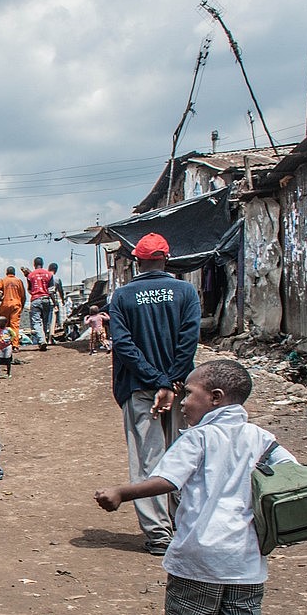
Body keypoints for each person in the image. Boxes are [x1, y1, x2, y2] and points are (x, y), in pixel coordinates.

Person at [94, 360, 292, 615]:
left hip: (200, 549)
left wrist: (122, 492)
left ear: (215, 398)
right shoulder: (261, 438)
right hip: (246, 551)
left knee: (185, 610)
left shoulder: (198, 437)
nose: (182, 401)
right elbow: (291, 473)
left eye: (188, 393)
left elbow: (168, 480)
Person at [109, 232, 201, 555]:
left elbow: (123, 346)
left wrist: (155, 380)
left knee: (148, 461)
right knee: (182, 456)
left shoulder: (122, 297)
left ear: (137, 261)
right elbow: (189, 341)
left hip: (139, 389)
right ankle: (184, 524)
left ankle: (158, 534)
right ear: (166, 258)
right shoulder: (186, 291)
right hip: (182, 390)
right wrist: (172, 381)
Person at [22, 257, 55, 350]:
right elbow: (51, 290)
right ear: (43, 264)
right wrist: (54, 302)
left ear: (34, 264)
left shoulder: (30, 275)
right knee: (45, 321)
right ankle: (43, 340)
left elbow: (29, 289)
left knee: (36, 322)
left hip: (35, 300)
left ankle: (41, 340)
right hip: (46, 299)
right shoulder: (49, 274)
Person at [0, 266, 26, 336]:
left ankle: (5, 342)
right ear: (14, 273)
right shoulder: (19, 281)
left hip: (5, 305)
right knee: (15, 325)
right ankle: (15, 345)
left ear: (6, 273)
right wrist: (21, 307)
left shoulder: (2, 280)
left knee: (4, 325)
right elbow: (23, 296)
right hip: (16, 305)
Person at [48, 262, 66, 339]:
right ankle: (50, 337)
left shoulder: (44, 276)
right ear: (56, 270)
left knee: (44, 320)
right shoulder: (57, 279)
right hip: (52, 300)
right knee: (52, 320)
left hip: (41, 298)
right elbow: (60, 291)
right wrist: (62, 300)